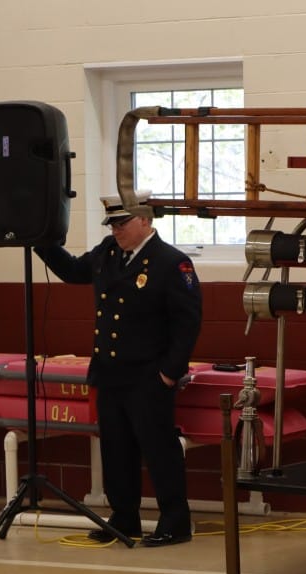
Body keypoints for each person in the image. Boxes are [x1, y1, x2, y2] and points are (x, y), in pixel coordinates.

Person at [35, 190, 203, 547]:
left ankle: (175, 522)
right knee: (116, 450)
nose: (116, 230)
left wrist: (169, 373)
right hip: (111, 372)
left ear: (145, 220)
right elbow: (71, 271)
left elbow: (186, 323)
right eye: (112, 224)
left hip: (149, 375)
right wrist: (42, 240)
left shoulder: (172, 262)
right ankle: (124, 519)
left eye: (122, 222)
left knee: (159, 451)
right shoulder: (108, 254)